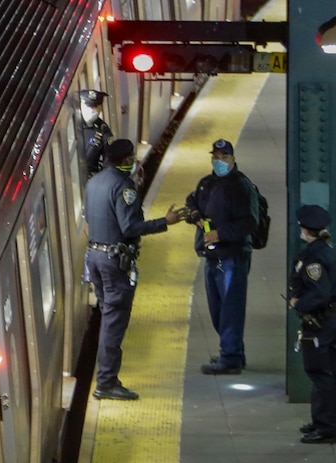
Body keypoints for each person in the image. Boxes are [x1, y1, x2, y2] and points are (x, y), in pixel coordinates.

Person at [84, 138, 183, 400]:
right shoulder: (122, 186)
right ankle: (106, 383)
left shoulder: (94, 182)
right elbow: (129, 228)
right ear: (127, 160)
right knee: (113, 323)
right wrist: (166, 221)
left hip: (94, 256)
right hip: (114, 262)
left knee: (108, 317)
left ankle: (106, 378)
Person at [184, 138, 259, 374]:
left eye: (224, 157)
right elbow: (192, 200)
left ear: (233, 159)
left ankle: (231, 357)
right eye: (215, 157)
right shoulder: (207, 183)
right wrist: (194, 213)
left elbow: (250, 223)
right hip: (213, 257)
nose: (219, 162)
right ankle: (233, 349)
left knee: (230, 307)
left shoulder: (241, 187)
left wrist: (219, 234)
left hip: (232, 257)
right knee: (218, 308)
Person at [289, 203, 336, 444]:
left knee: (319, 372)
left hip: (320, 322)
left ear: (304, 229)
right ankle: (324, 420)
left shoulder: (314, 258)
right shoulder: (333, 250)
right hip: (333, 319)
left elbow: (319, 292)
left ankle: (326, 428)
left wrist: (298, 303)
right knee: (330, 372)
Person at [79, 89, 113, 176]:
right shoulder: (71, 124)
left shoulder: (103, 130)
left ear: (100, 108)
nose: (91, 110)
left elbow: (109, 161)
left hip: (90, 177)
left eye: (95, 107)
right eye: (88, 106)